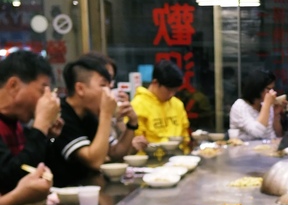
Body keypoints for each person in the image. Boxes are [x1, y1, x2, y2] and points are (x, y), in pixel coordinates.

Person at [54, 54, 140, 183]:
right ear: (80, 89)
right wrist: (106, 113)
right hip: (64, 195)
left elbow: (115, 153)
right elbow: (94, 161)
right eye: (103, 86)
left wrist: (132, 124)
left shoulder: (88, 115)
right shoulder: (61, 114)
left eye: (109, 88)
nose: (109, 94)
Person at [0, 48, 61, 193]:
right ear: (13, 85)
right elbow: (10, 179)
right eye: (42, 91)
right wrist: (40, 126)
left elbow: (43, 171)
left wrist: (49, 138)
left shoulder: (18, 123)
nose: (46, 99)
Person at [131, 61, 190, 143]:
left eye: (175, 90)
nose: (172, 94)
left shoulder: (177, 104)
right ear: (155, 82)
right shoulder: (138, 105)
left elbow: (185, 135)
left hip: (178, 154)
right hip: (150, 154)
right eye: (169, 90)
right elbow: (137, 140)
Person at [228, 69, 285, 141]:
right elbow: (257, 132)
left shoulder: (265, 104)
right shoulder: (240, 106)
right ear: (258, 88)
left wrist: (276, 115)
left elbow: (278, 135)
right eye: (269, 89)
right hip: (245, 150)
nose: (273, 92)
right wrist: (267, 105)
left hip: (268, 149)